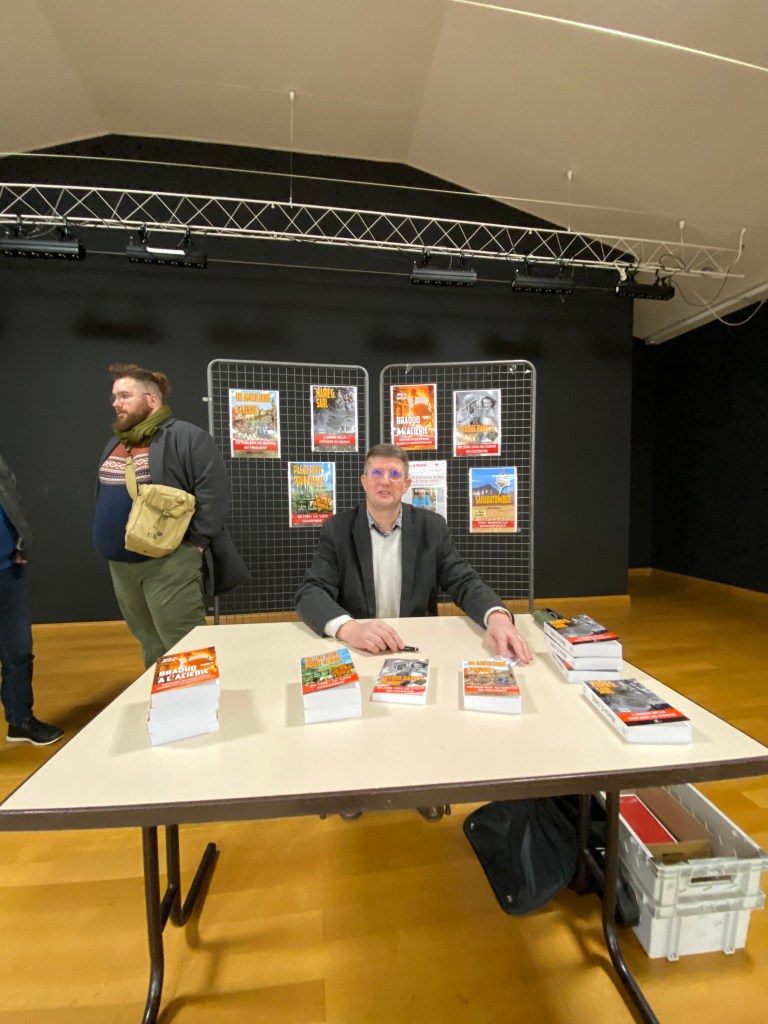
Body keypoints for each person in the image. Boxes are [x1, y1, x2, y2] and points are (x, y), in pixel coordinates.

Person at [295, 443, 532, 663]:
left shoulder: (432, 526)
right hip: (360, 647)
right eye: (376, 473)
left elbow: (464, 581)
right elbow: (310, 592)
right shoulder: (337, 529)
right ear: (364, 481)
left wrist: (497, 616)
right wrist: (350, 629)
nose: (385, 481)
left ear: (406, 484)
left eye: (394, 474)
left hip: (417, 644)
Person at [94, 363, 248, 669]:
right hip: (121, 567)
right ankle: (161, 694)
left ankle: (198, 698)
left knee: (185, 644)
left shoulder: (187, 438)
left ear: (152, 400)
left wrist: (194, 545)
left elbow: (214, 495)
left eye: (124, 396)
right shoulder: (117, 442)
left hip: (168, 563)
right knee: (149, 640)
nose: (116, 403)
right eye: (114, 397)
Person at [0, 451, 63, 745]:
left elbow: (9, 490)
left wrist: (22, 538)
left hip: (8, 567)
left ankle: (20, 720)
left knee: (19, 650)